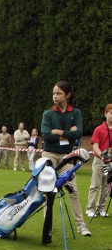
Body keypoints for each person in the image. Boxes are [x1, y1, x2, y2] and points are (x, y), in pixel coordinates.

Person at [41, 80, 91, 236]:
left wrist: (58, 132)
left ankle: (81, 225)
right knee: (47, 189)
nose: (55, 97)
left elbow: (78, 135)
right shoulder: (48, 114)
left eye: (58, 93)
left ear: (67, 95)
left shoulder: (76, 113)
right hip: (49, 153)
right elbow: (46, 136)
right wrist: (67, 133)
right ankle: (47, 224)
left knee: (73, 189)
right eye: (53, 93)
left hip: (67, 156)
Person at [86, 103, 112, 217]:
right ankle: (90, 208)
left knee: (106, 186)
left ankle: (101, 208)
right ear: (105, 114)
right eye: (111, 113)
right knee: (95, 185)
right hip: (99, 160)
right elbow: (95, 146)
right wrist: (102, 155)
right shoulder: (99, 129)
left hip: (110, 162)